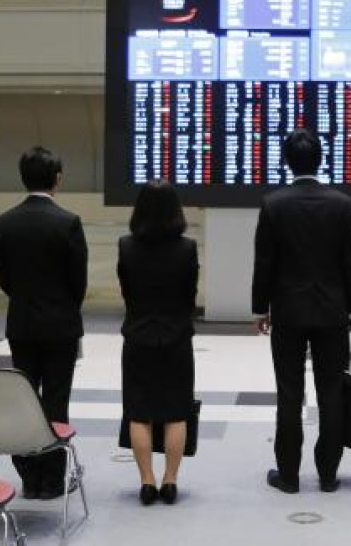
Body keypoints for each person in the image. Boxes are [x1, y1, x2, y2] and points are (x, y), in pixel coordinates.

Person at [252, 128, 351, 494]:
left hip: (288, 310)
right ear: (321, 159)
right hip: (332, 310)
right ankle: (328, 474)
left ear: (287, 161)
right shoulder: (341, 204)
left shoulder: (274, 203)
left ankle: (289, 475)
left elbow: (264, 262)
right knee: (331, 390)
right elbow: (350, 263)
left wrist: (259, 308)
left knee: (289, 392)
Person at [0, 146, 88, 500]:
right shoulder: (68, 222)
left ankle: (29, 476)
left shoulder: (6, 221)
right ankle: (52, 479)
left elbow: (4, 277)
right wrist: (63, 306)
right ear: (58, 179)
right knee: (56, 401)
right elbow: (77, 281)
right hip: (61, 324)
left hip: (21, 323)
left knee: (25, 401)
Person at [117, 181, 198, 506]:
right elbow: (189, 296)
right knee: (177, 412)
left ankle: (146, 481)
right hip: (177, 336)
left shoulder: (126, 246)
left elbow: (127, 291)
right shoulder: (187, 248)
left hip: (138, 335)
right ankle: (170, 480)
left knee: (139, 413)